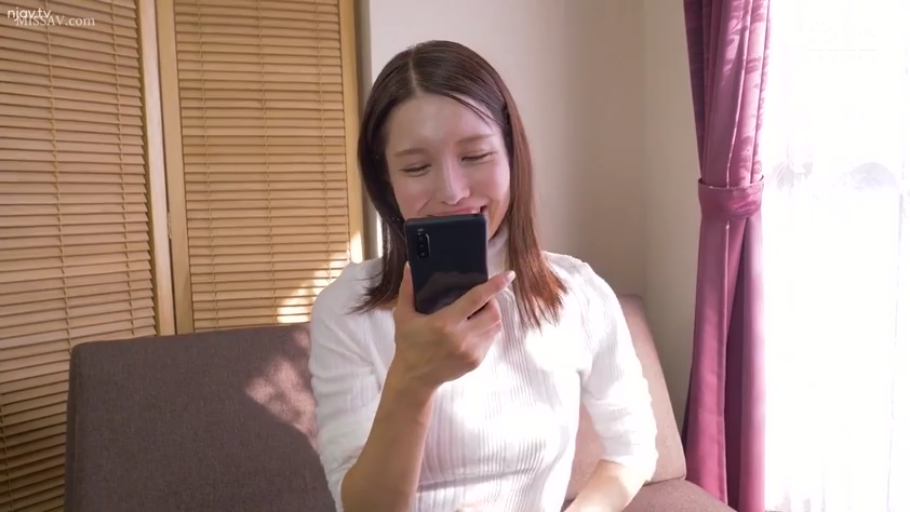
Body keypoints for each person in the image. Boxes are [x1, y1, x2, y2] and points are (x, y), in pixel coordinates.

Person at [308, 40, 658, 512]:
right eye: (416, 167)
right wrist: (413, 380)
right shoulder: (347, 308)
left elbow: (633, 448)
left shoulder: (579, 294)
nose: (452, 191)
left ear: (512, 156)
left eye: (474, 156)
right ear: (386, 180)